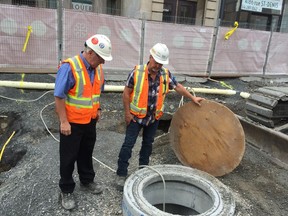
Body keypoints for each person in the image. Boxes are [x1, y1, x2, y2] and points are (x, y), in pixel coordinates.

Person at [115, 43, 204, 189]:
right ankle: (121, 174)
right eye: (156, 62)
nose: (158, 66)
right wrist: (127, 113)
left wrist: (192, 98)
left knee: (147, 145)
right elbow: (126, 93)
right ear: (150, 57)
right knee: (128, 145)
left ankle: (143, 171)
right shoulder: (137, 72)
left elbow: (178, 87)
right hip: (135, 118)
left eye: (160, 63)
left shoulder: (165, 74)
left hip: (153, 118)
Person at [54, 34, 112, 210]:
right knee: (68, 157)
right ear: (91, 53)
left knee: (86, 153)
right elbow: (59, 96)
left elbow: (95, 93)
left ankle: (87, 181)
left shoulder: (98, 69)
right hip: (71, 123)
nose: (103, 62)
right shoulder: (70, 67)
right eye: (101, 58)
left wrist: (98, 109)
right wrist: (63, 121)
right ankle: (66, 189)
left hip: (90, 121)